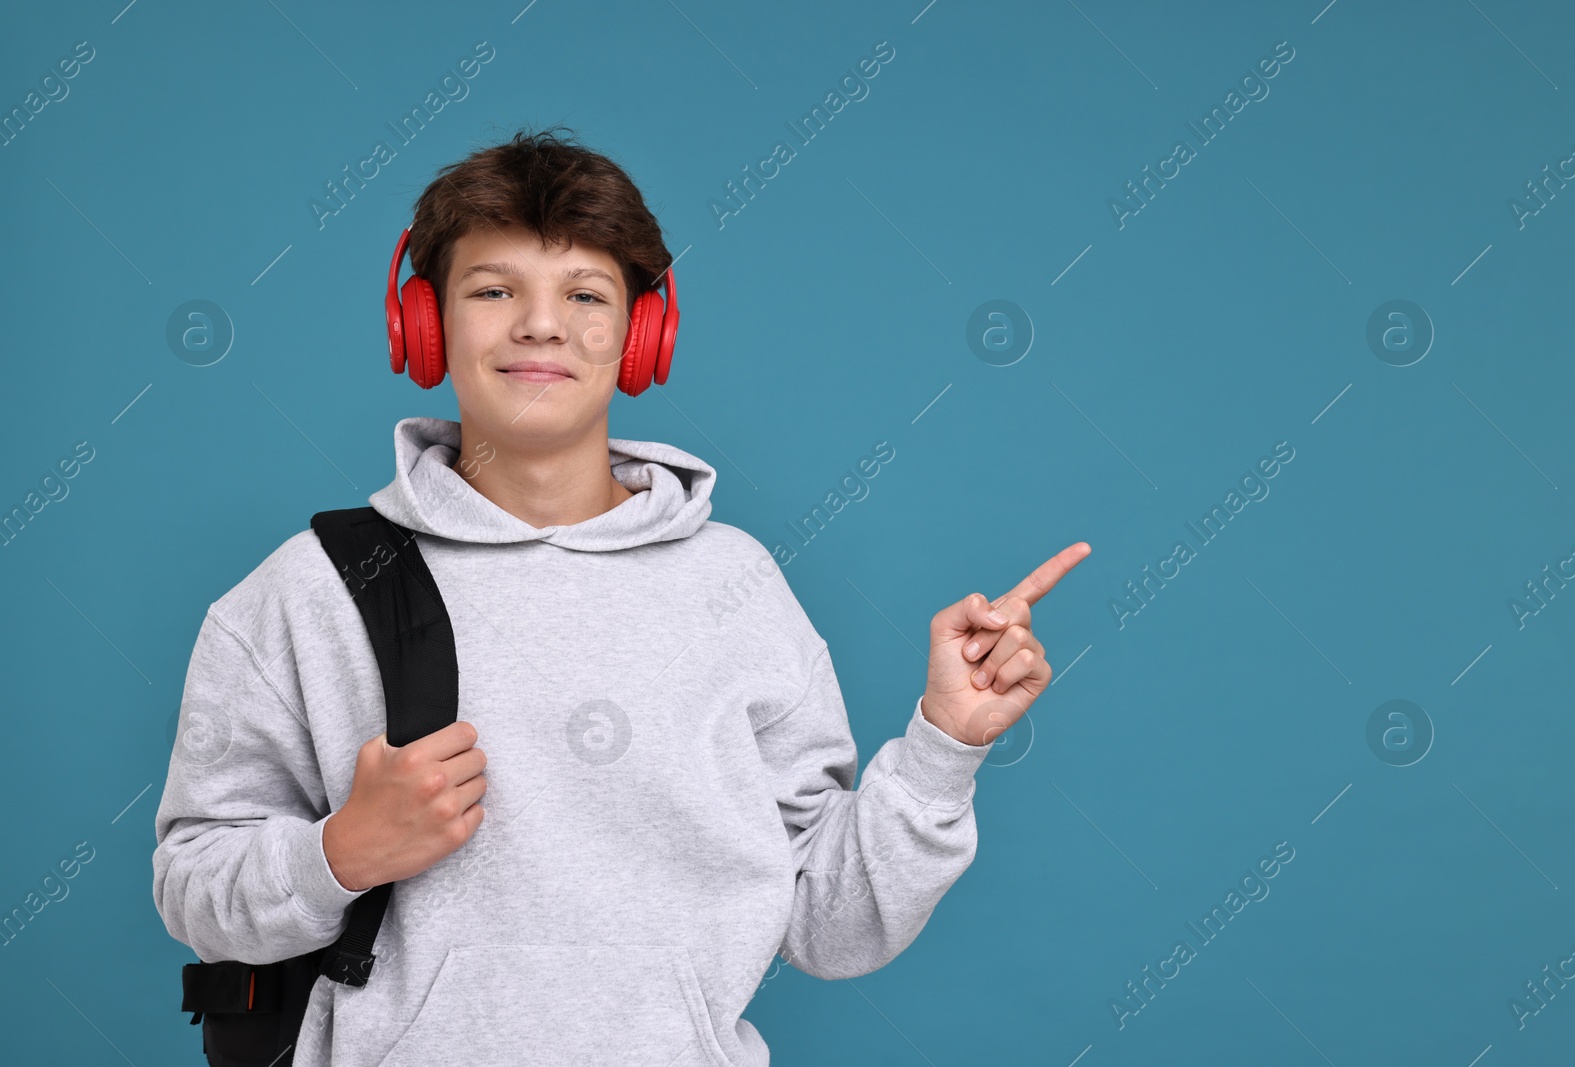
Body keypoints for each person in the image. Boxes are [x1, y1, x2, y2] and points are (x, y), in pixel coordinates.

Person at [152, 125, 1089, 1067]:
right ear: (424, 324)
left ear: (642, 334)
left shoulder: (736, 586)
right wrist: (341, 851)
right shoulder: (306, 591)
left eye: (585, 294)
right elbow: (193, 887)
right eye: (493, 289)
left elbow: (829, 926)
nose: (540, 325)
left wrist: (942, 745)